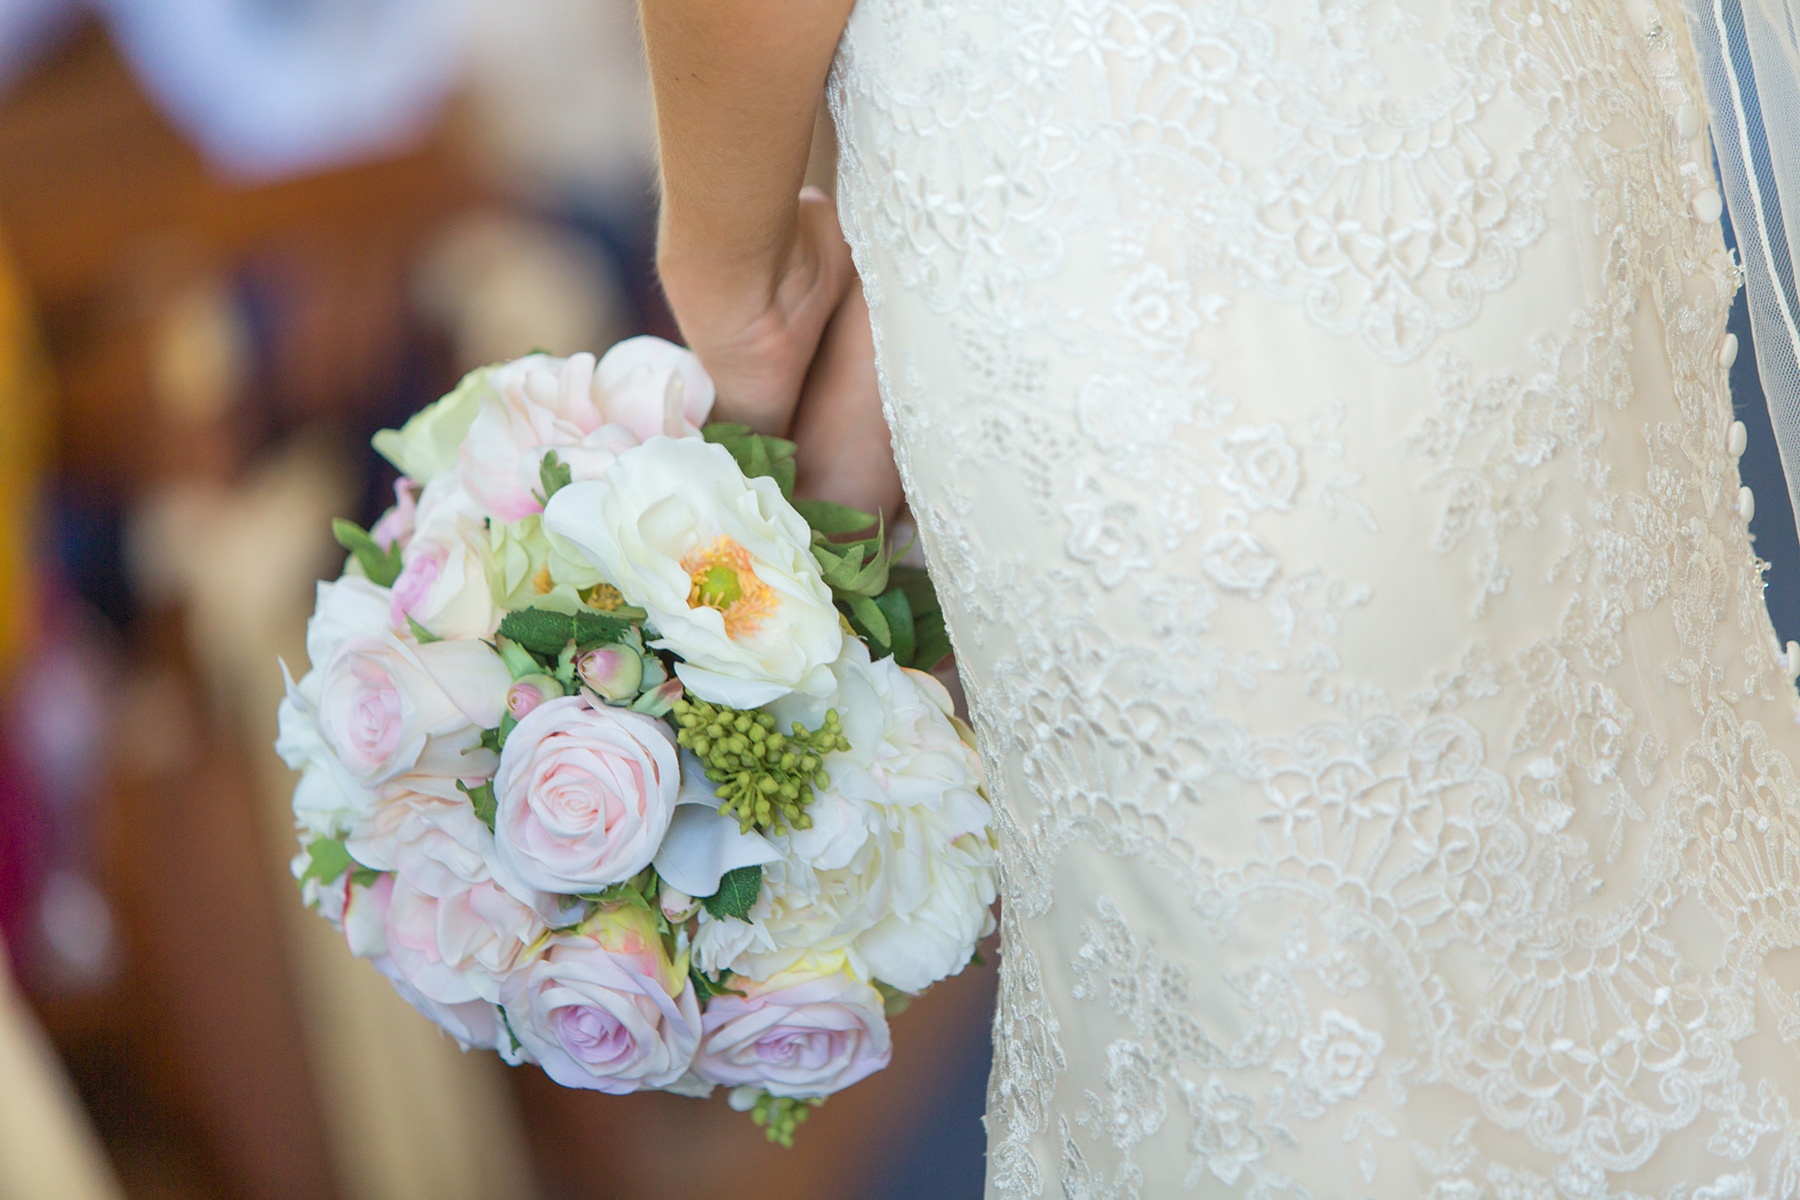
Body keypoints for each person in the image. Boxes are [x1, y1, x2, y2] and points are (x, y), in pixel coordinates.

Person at [640, 0, 1800, 1192]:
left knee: (1298, 987)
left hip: (1133, 193)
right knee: (1642, 830)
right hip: (1517, 124)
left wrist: (735, 282)